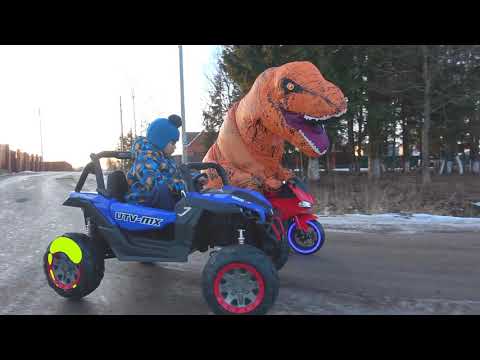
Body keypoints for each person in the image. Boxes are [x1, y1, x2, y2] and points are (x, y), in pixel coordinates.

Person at [125, 114, 193, 210]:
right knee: (162, 189)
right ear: (161, 141)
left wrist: (192, 179)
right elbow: (152, 182)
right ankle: (176, 220)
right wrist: (180, 184)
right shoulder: (145, 158)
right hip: (143, 202)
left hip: (160, 202)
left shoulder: (166, 159)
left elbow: (177, 174)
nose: (175, 147)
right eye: (172, 143)